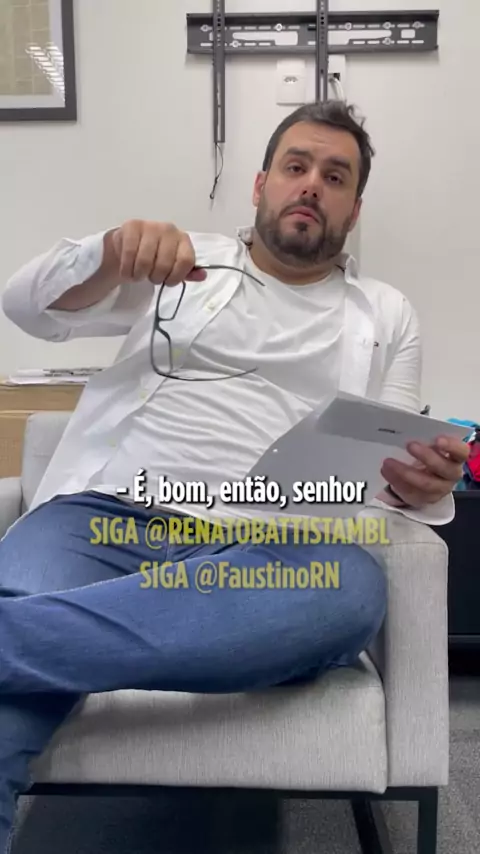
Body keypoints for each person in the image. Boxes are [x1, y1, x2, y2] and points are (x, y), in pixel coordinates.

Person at [0, 100, 467, 851]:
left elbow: (387, 466)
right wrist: (109, 252)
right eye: (296, 166)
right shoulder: (182, 264)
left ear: (354, 209)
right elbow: (26, 307)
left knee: (350, 590)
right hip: (100, 520)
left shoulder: (386, 313)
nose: (311, 184)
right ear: (260, 185)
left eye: (335, 176)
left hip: (266, 547)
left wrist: (423, 486)